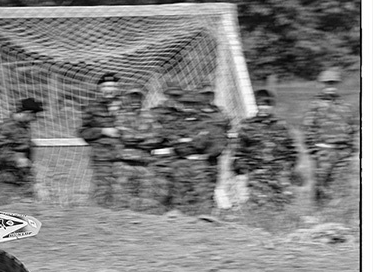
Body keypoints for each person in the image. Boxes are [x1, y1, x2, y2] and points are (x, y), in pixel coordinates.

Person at [233, 88, 298, 211]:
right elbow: (239, 151)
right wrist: (242, 171)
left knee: (280, 207)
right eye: (260, 104)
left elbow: (291, 149)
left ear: (272, 106)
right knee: (258, 207)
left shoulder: (281, 125)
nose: (263, 108)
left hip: (278, 174)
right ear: (256, 105)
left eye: (267, 104)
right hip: (256, 174)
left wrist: (288, 169)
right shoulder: (247, 125)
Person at [302, 67, 358, 206]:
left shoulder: (345, 106)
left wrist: (350, 149)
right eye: (327, 83)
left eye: (333, 83)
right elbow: (308, 129)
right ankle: (319, 213)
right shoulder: (315, 105)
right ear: (322, 85)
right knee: (322, 187)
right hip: (323, 152)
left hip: (342, 152)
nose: (330, 86)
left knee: (341, 187)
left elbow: (352, 127)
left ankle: (338, 213)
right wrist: (314, 151)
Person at [168, 87, 228, 215]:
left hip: (201, 164)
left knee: (203, 197)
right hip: (181, 163)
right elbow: (175, 143)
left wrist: (204, 154)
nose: (189, 108)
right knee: (180, 195)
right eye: (186, 104)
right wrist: (194, 140)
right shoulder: (176, 123)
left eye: (192, 104)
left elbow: (217, 143)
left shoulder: (208, 122)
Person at [112, 87, 161, 213]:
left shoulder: (150, 116)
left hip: (144, 164)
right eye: (132, 97)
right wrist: (142, 137)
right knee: (120, 203)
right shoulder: (120, 116)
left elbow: (157, 137)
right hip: (124, 164)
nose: (135, 100)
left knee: (146, 202)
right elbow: (124, 136)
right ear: (127, 98)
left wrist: (135, 137)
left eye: (138, 97)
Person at [78, 72, 122, 208]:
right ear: (100, 89)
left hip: (125, 155)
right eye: (106, 86)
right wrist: (103, 131)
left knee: (123, 188)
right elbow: (83, 132)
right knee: (103, 189)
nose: (109, 89)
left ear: (117, 88)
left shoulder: (127, 106)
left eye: (112, 86)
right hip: (102, 157)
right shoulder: (91, 108)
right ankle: (101, 214)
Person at [0, 97, 44, 199]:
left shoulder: (24, 126)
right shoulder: (8, 127)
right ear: (27, 113)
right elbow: (1, 150)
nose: (35, 119)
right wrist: (17, 159)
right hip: (9, 176)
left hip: (24, 174)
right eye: (34, 115)